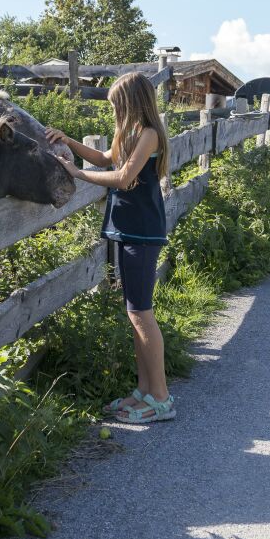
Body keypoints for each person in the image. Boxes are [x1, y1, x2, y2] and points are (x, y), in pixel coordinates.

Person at [45, 72, 175, 423]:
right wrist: (69, 141)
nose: (114, 111)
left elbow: (122, 178)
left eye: (118, 105)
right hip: (127, 230)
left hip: (144, 233)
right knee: (135, 312)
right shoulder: (129, 133)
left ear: (132, 102)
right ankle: (144, 390)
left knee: (141, 313)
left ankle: (160, 397)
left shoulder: (148, 135)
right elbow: (105, 159)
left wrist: (76, 173)